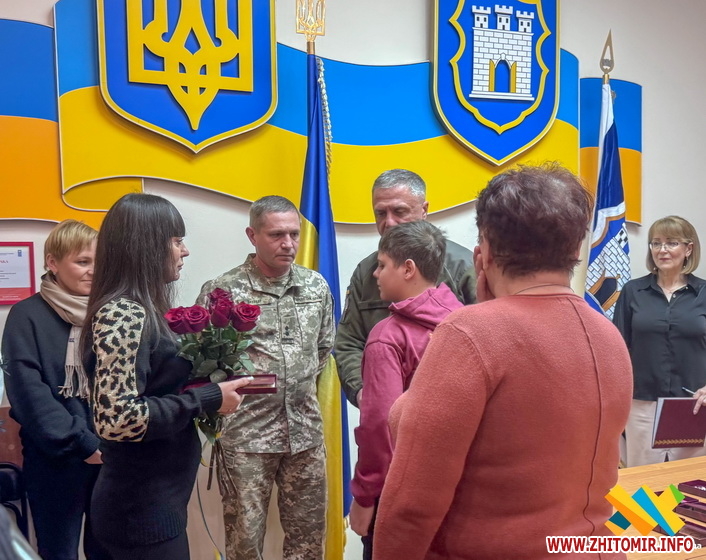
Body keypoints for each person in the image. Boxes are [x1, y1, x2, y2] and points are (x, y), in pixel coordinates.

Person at [372, 164, 633, 560]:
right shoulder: (608, 336)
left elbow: (411, 505)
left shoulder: (468, 334)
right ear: (575, 251)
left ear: (486, 252)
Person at [82, 193, 251, 560]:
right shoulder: (123, 313)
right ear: (145, 246)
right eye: (176, 241)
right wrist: (207, 398)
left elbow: (154, 390)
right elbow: (117, 420)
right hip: (138, 515)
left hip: (151, 510)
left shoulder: (142, 309)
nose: (184, 251)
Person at [196, 195, 334, 560]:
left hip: (304, 435)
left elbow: (323, 349)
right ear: (252, 235)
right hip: (247, 438)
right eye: (276, 235)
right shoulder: (223, 291)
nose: (288, 244)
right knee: (244, 543)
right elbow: (204, 361)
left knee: (308, 542)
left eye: (294, 234)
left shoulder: (315, 287)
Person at [349, 221, 463, 560]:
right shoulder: (466, 323)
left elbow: (379, 426)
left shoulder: (388, 337)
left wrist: (364, 496)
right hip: (457, 488)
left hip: (401, 491)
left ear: (408, 269)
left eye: (382, 265)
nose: (375, 274)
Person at [1, 220, 111, 560]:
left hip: (111, 457)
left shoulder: (111, 313)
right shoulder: (26, 315)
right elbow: (28, 394)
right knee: (58, 552)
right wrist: (83, 443)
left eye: (99, 262)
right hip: (55, 461)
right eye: (83, 262)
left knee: (108, 550)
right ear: (53, 262)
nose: (94, 271)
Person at [335, 169, 475, 407]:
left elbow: (486, 344)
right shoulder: (367, 272)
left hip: (449, 407)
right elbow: (349, 342)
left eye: (399, 211)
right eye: (380, 213)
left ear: (424, 210)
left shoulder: (462, 267)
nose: (389, 222)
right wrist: (362, 391)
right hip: (383, 409)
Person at [613, 215, 706, 467]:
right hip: (641, 404)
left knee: (687, 481)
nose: (662, 250)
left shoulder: (704, 293)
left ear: (688, 249)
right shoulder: (633, 291)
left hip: (693, 405)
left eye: (671, 242)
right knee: (643, 481)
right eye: (656, 243)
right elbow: (618, 349)